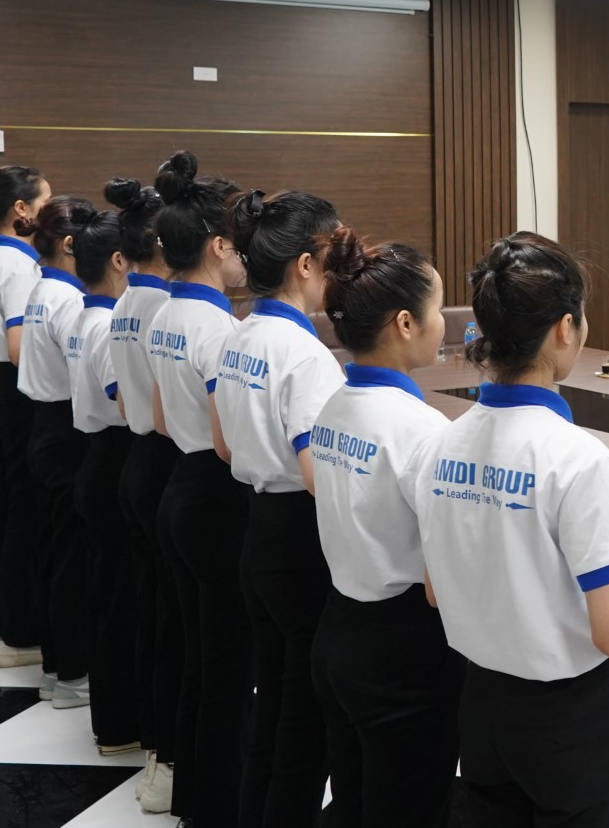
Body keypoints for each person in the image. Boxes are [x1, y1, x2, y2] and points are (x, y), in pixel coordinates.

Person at [419, 233, 609, 828]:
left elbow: (436, 591)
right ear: (564, 329)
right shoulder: (580, 459)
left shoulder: (442, 442)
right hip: (571, 720)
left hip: (482, 706)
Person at [311, 231, 464, 828]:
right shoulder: (420, 429)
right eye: (438, 308)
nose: (444, 323)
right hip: (403, 653)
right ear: (405, 323)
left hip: (339, 631)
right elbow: (441, 580)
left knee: (354, 800)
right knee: (409, 808)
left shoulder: (333, 406)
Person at [215, 189, 344, 828]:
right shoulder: (304, 354)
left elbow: (222, 444)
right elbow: (320, 477)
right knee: (304, 722)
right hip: (299, 541)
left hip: (257, 528)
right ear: (305, 264)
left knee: (270, 709)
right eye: (333, 257)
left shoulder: (239, 334)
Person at [147, 151, 246, 827]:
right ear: (216, 246)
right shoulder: (217, 327)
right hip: (216, 498)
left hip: (178, 486)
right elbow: (228, 441)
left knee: (197, 655)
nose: (244, 257)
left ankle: (190, 796)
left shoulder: (164, 313)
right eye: (237, 243)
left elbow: (160, 419)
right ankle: (217, 807)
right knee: (227, 666)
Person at [103, 177, 181, 811]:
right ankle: (168, 758)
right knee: (174, 622)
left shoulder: (127, 301)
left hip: (137, 459)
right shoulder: (164, 308)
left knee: (154, 609)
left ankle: (154, 748)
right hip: (165, 460)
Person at [64, 207, 140, 752]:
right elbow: (127, 402)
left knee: (107, 588)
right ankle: (119, 723)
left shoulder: (81, 317)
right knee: (119, 597)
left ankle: (112, 718)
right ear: (118, 261)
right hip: (114, 457)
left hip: (95, 459)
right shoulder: (108, 325)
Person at [0, 166, 51, 669]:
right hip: (14, 390)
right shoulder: (19, 265)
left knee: (5, 506)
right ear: (21, 209)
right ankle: (19, 633)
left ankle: (1, 623)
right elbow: (20, 348)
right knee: (22, 513)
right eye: (44, 201)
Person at [18, 197, 96, 706]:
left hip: (43, 426)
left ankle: (55, 665)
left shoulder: (41, 289)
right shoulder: (68, 300)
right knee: (70, 557)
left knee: (52, 549)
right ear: (70, 244)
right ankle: (72, 673)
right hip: (66, 430)